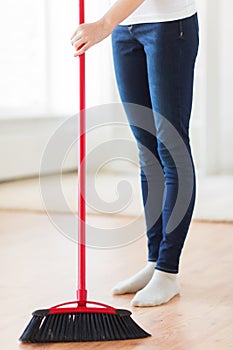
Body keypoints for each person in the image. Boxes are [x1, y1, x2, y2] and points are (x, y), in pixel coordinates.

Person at [71, 0, 199, 307]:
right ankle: (154, 260)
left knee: (171, 149)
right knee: (147, 151)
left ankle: (168, 271)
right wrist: (110, 24)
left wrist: (103, 24)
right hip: (124, 28)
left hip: (169, 26)